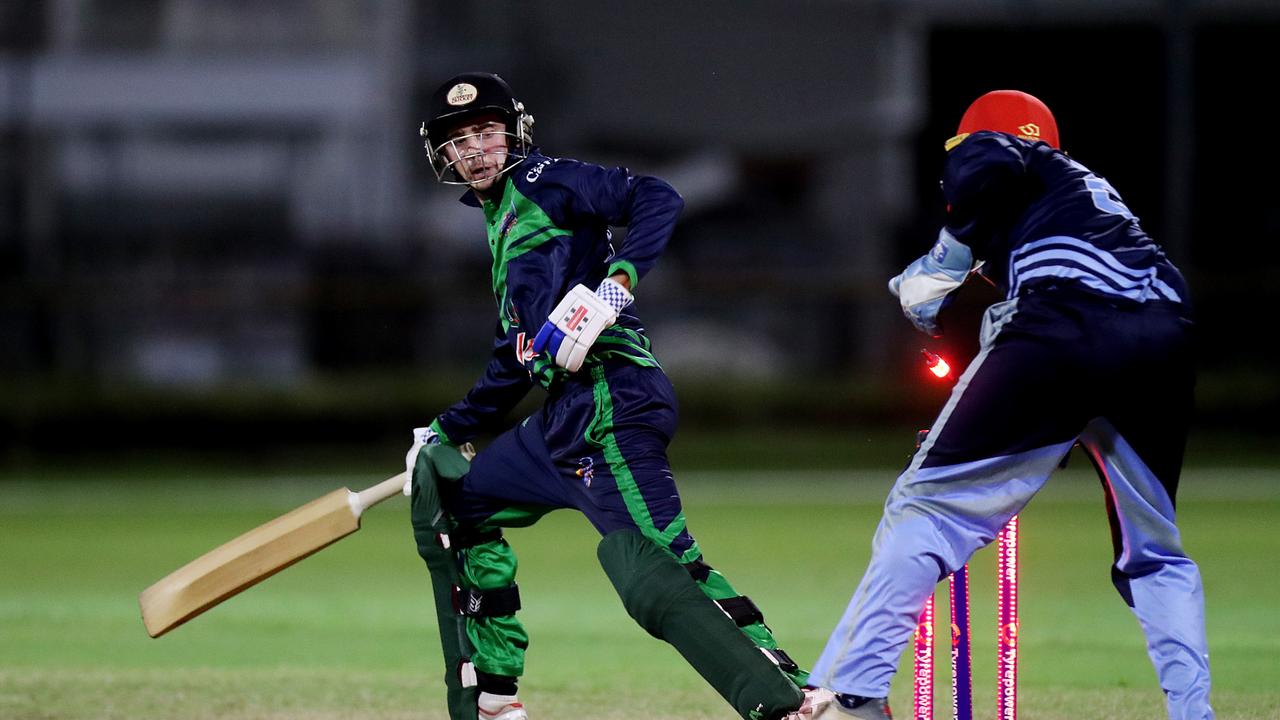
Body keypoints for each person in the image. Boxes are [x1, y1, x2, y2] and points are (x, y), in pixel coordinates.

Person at [406, 71, 832, 720]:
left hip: (612, 402)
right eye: (458, 140)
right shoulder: (500, 220)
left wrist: (615, 289)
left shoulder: (547, 182)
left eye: (485, 133)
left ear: (513, 132)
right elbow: (515, 360)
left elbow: (658, 196)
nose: (474, 151)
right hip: (559, 424)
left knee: (663, 567)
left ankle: (797, 697)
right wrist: (443, 430)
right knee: (461, 509)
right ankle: (494, 699)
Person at [810, 90, 1213, 720]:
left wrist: (940, 263)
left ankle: (854, 698)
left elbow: (991, 161)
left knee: (927, 509)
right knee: (1154, 552)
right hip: (1166, 335)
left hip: (1064, 325)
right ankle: (1195, 714)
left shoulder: (1003, 153)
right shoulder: (1081, 196)